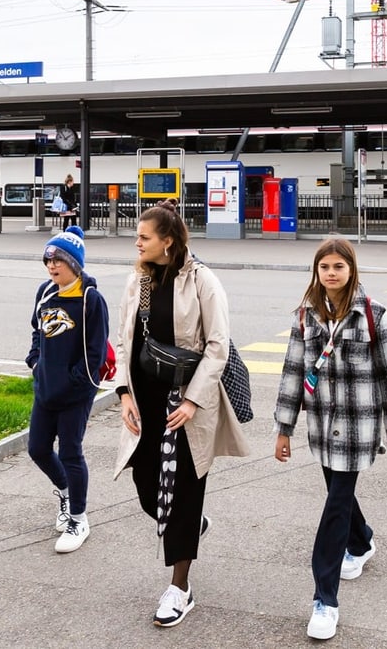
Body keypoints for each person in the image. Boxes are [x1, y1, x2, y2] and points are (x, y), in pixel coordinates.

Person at [113, 198, 250, 629]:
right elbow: (123, 340)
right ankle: (191, 525)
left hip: (187, 406)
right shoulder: (140, 280)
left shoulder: (204, 281)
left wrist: (192, 400)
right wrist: (123, 394)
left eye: (144, 237)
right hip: (145, 402)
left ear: (167, 242)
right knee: (143, 481)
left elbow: (218, 346)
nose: (136, 243)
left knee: (185, 493)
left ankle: (180, 587)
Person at [273, 237, 387, 641]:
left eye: (339, 266)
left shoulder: (373, 316)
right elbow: (292, 373)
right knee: (339, 496)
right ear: (316, 272)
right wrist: (283, 429)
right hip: (320, 427)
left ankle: (324, 599)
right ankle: (363, 541)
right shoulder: (305, 317)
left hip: (358, 428)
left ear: (352, 270)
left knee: (335, 506)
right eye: (325, 267)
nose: (332, 273)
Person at [26, 226, 109, 554]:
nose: (51, 266)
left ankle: (78, 517)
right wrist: (35, 362)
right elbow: (37, 330)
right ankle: (64, 492)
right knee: (38, 449)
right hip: (45, 387)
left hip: (76, 392)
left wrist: (77, 380)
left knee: (71, 452)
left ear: (74, 263)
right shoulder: (45, 293)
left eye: (58, 260)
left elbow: (96, 351)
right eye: (47, 260)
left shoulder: (90, 299)